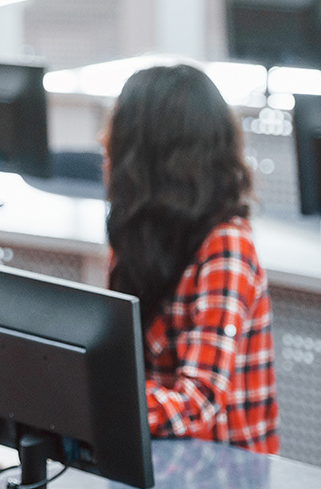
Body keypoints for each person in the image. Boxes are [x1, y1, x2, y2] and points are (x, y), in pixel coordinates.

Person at [103, 63, 279, 453]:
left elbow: (198, 403)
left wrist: (99, 399)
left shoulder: (226, 247)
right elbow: (122, 366)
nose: (104, 145)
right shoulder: (136, 235)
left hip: (225, 474)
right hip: (159, 455)